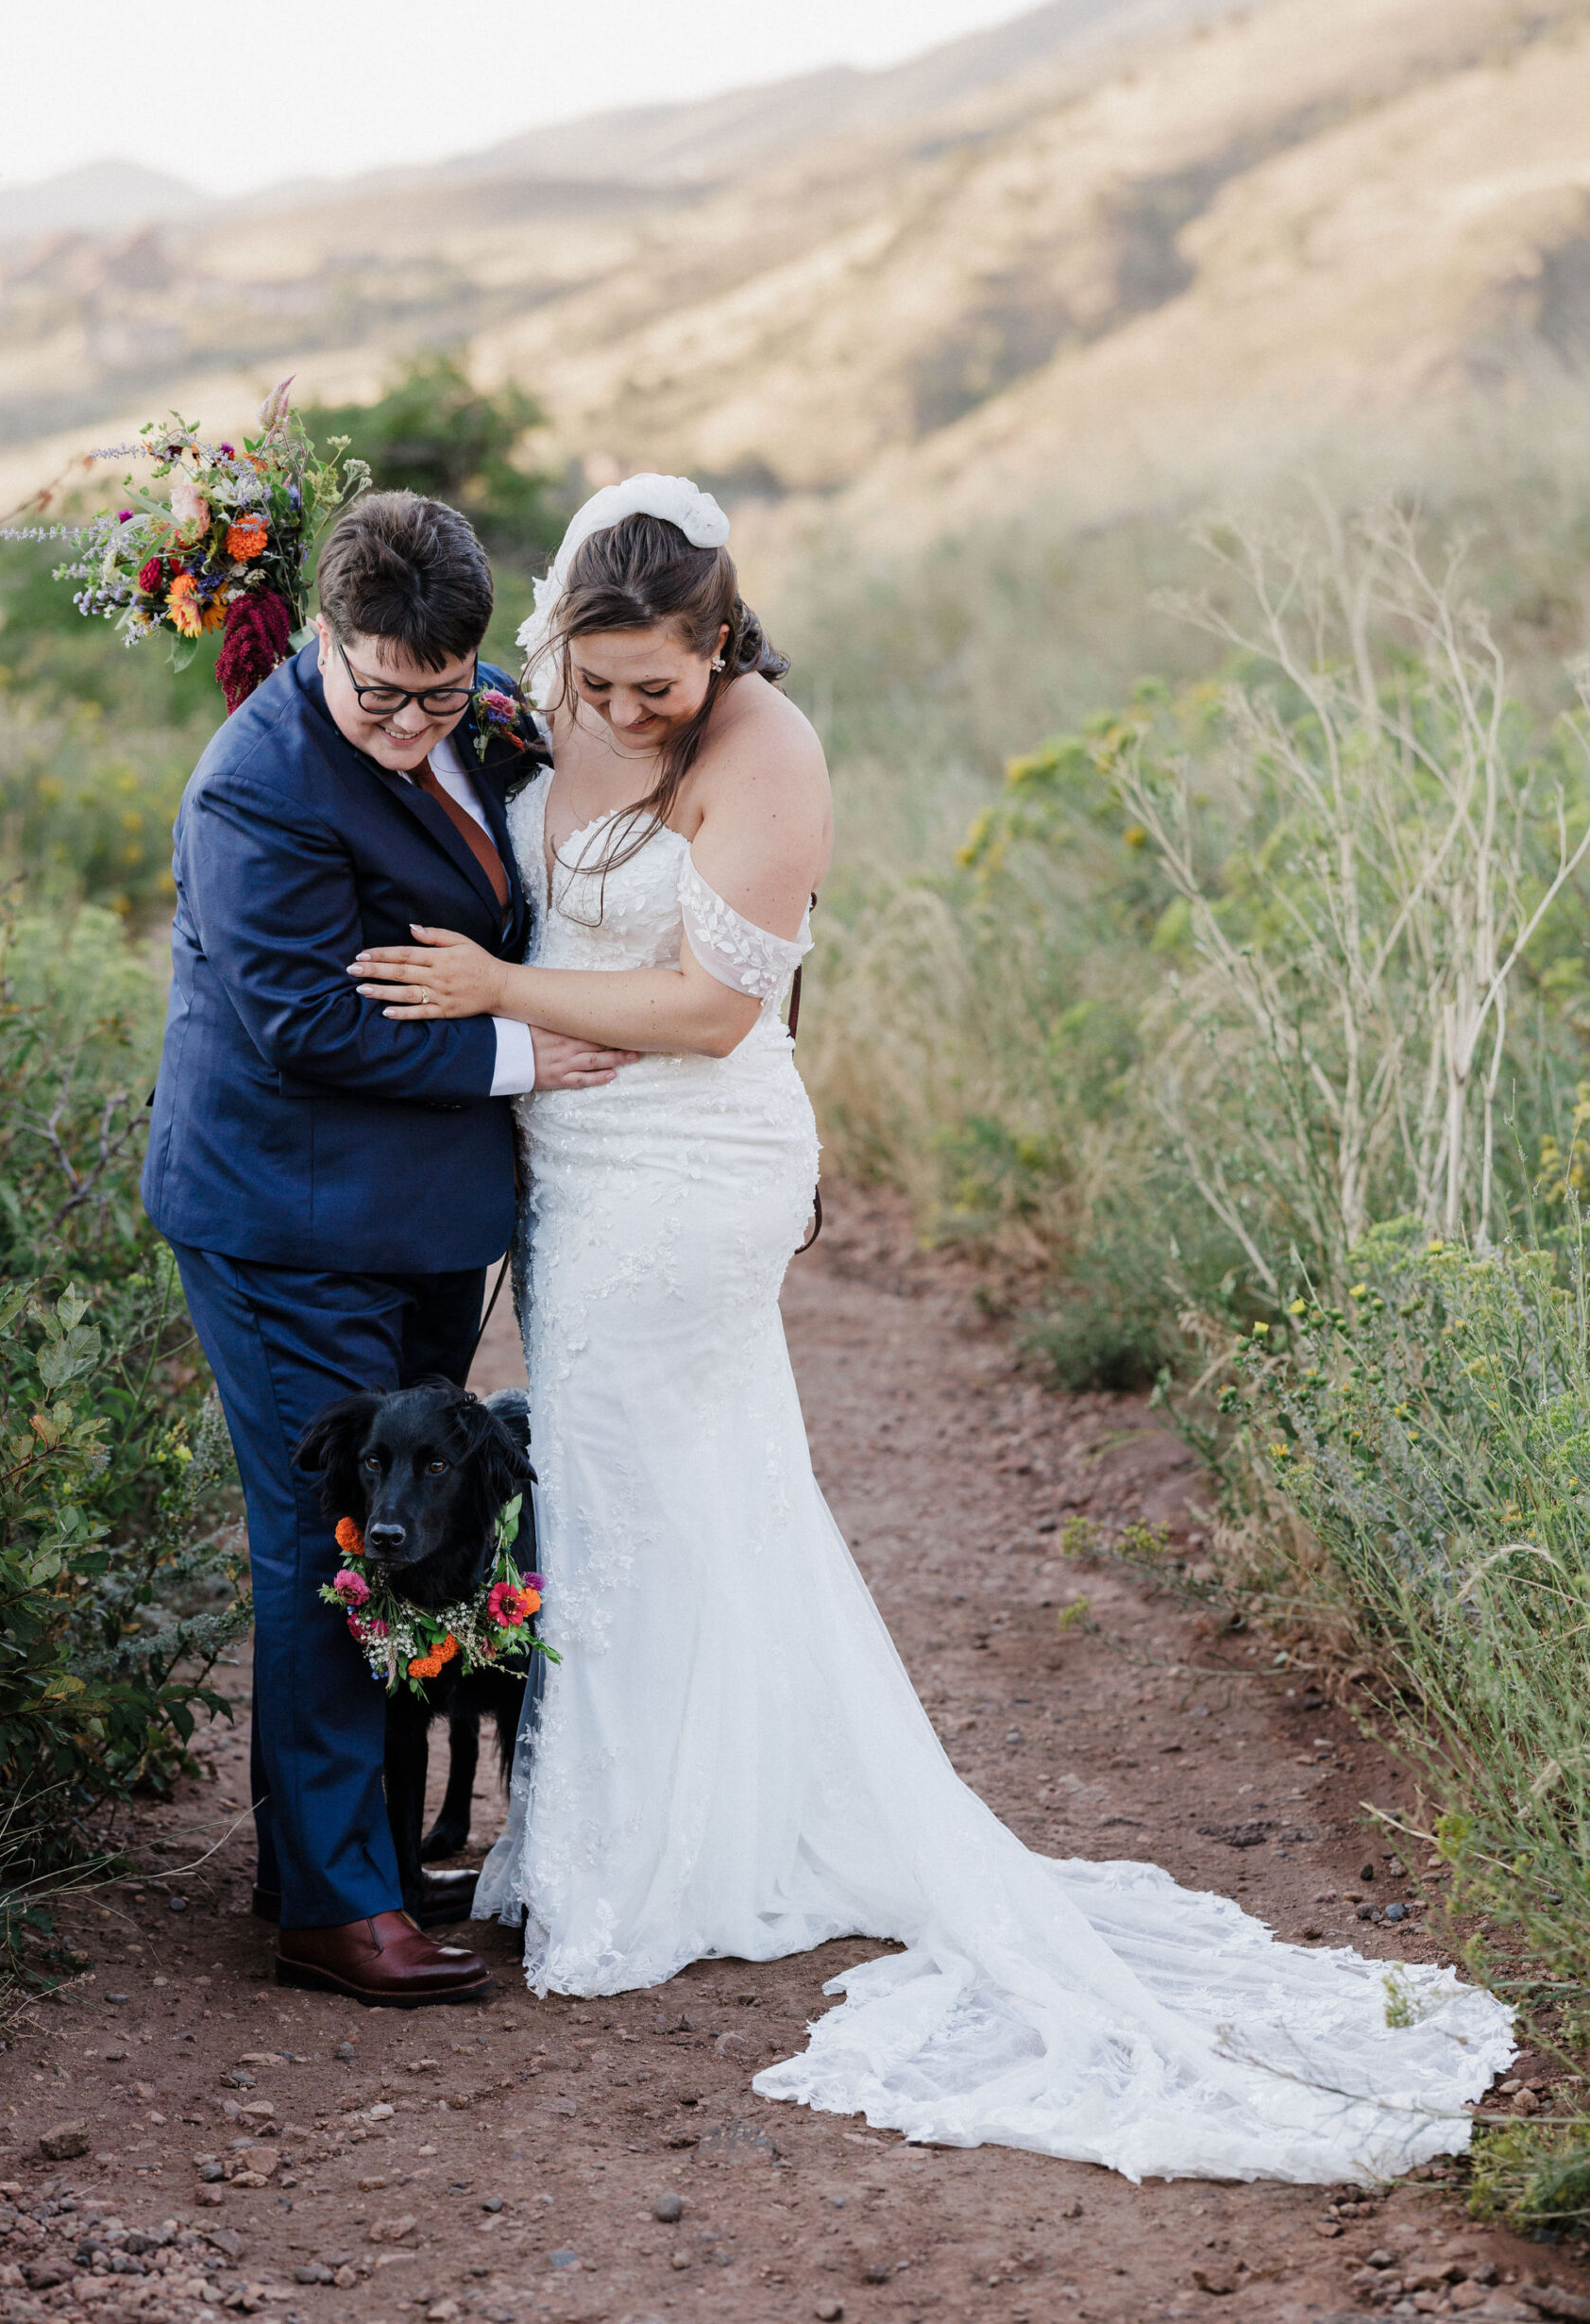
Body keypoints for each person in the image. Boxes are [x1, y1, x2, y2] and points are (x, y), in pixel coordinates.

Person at [348, 475, 1512, 2179]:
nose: (617, 714)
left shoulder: (769, 748)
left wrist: (499, 991)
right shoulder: (560, 685)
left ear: (722, 639)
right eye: (594, 685)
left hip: (691, 1159)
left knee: (635, 1485)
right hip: (578, 1169)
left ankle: (646, 1864)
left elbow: (717, 1005)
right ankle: (682, 1823)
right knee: (633, 1496)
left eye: (652, 688)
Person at [143, 490, 635, 2006]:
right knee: (326, 1549)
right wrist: (521, 1055)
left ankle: (337, 1855)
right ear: (324, 638)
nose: (421, 721)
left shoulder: (463, 714)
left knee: (413, 1527)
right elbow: (303, 1024)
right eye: (386, 692)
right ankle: (334, 1907)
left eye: (444, 688)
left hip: (414, 1224)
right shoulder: (258, 788)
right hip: (288, 1221)